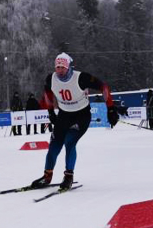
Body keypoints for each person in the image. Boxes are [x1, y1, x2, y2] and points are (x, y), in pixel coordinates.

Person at [31, 53, 122, 191]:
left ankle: (68, 176)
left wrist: (110, 108)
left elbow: (103, 86)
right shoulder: (51, 78)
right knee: (54, 144)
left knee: (69, 142)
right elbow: (47, 93)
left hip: (81, 116)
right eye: (57, 67)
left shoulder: (81, 77)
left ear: (68, 67)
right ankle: (47, 176)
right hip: (64, 115)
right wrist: (50, 111)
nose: (60, 70)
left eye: (62, 67)